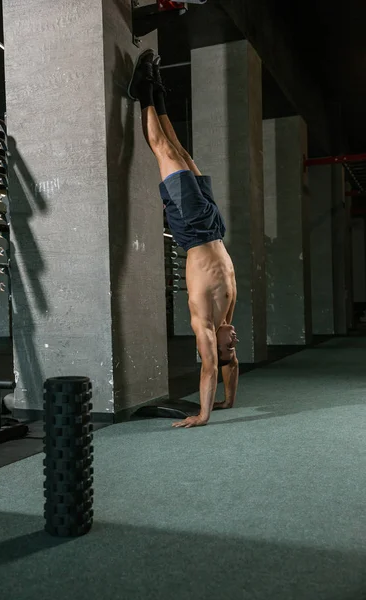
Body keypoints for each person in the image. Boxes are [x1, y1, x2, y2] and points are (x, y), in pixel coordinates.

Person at [129, 49, 239, 428]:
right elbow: (230, 368)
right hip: (213, 224)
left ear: (214, 346)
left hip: (191, 228)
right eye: (233, 347)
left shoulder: (205, 327)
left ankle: (142, 91)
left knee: (163, 150)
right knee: (182, 151)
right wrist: (228, 399)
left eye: (229, 347)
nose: (234, 341)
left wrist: (205, 413)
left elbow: (211, 369)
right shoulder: (227, 317)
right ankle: (157, 91)